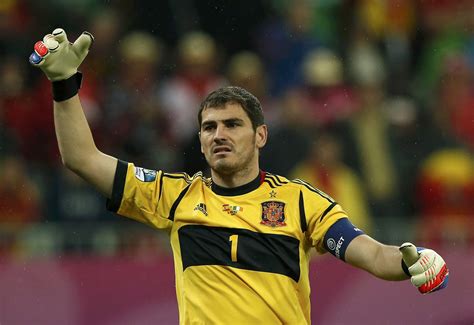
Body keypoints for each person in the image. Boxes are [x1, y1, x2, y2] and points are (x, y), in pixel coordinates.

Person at [29, 28, 449, 324]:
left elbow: (373, 254)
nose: (219, 135)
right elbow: (82, 158)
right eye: (209, 127)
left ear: (260, 135)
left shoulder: (300, 201)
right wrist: (65, 85)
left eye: (232, 125)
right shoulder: (173, 196)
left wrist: (413, 260)